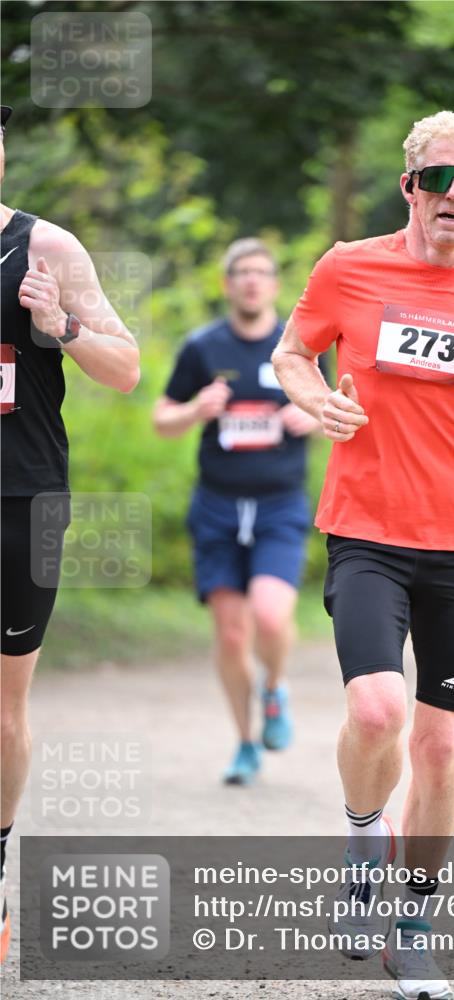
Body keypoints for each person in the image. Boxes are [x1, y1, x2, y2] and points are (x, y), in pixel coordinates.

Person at [272, 110, 454, 999]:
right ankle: (363, 839)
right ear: (408, 186)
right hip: (365, 529)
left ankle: (413, 924)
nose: (452, 196)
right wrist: (313, 397)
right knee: (375, 713)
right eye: (436, 179)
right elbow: (293, 355)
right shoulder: (346, 267)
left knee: (440, 750)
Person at [0, 104, 140, 964]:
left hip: (22, 504)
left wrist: (63, 327)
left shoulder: (47, 248)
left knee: (4, 710)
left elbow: (124, 369)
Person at [153, 238, 322, 786]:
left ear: (275, 284)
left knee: (271, 616)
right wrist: (193, 410)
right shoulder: (202, 347)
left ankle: (274, 688)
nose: (251, 281)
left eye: (261, 272)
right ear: (228, 284)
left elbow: (345, 402)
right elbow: (162, 419)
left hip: (279, 505)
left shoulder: (299, 345)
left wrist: (315, 416)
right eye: (241, 273)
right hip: (217, 507)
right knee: (230, 634)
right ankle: (245, 742)